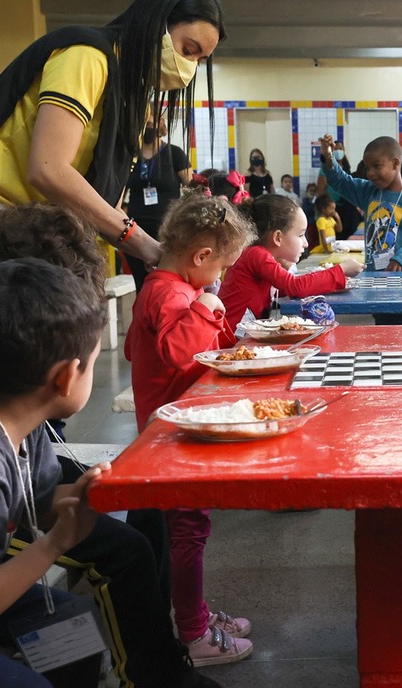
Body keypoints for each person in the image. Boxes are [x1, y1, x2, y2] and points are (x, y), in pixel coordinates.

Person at [0, 258, 222, 688]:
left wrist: (82, 497)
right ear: (65, 378)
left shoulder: (25, 426)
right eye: (93, 363)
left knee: (73, 624)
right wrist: (55, 543)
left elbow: (36, 501)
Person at [0, 0, 225, 270]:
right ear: (156, 24)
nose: (188, 68)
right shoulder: (86, 57)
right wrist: (142, 243)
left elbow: (101, 199)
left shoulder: (130, 101)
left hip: (37, 238)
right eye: (188, 50)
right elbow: (48, 170)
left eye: (199, 61)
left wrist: (160, 252)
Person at [125, 192, 255, 667]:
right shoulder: (170, 291)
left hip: (173, 429)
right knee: (189, 529)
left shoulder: (167, 288)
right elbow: (181, 352)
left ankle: (193, 612)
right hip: (170, 437)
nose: (219, 278)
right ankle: (194, 634)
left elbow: (135, 350)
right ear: (201, 257)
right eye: (220, 268)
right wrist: (208, 303)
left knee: (189, 527)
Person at [218, 194, 362, 327]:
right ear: (278, 238)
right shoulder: (256, 254)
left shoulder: (259, 254)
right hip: (231, 341)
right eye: (300, 235)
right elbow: (294, 287)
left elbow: (282, 290)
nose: (305, 243)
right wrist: (340, 270)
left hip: (242, 336)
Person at [318, 133, 402, 273]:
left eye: (377, 166)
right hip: (373, 276)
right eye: (367, 168)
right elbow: (341, 182)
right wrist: (328, 158)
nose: (370, 174)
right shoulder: (369, 192)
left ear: (395, 164)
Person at [126, 111, 192, 291]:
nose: (147, 129)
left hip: (166, 227)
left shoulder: (175, 153)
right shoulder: (131, 155)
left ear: (159, 124)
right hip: (136, 226)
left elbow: (192, 186)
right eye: (143, 125)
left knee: (165, 282)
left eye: (150, 124)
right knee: (142, 284)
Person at [315, 139, 360, 239]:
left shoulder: (347, 169)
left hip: (347, 207)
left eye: (341, 148)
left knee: (348, 232)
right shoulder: (325, 170)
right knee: (336, 234)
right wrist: (324, 209)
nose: (338, 151)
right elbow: (321, 191)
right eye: (336, 149)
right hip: (332, 207)